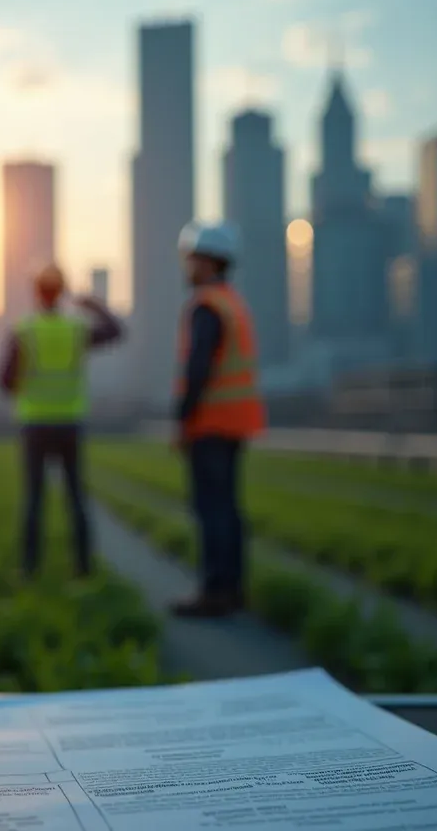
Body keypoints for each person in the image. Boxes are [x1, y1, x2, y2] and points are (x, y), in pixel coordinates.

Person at [0, 264, 124, 579]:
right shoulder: (76, 329)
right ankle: (83, 568)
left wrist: (24, 386)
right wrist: (94, 305)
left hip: (35, 423)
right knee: (76, 497)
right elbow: (116, 332)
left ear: (37, 292)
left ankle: (28, 569)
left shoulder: (24, 329)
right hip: (69, 422)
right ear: (62, 291)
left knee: (33, 499)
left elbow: (4, 380)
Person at [170, 221, 267, 618]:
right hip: (235, 422)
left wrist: (182, 418)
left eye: (192, 259)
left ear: (208, 262)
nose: (187, 266)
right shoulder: (233, 302)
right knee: (227, 507)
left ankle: (215, 591)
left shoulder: (206, 306)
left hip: (210, 423)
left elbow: (198, 369)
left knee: (211, 509)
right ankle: (234, 588)